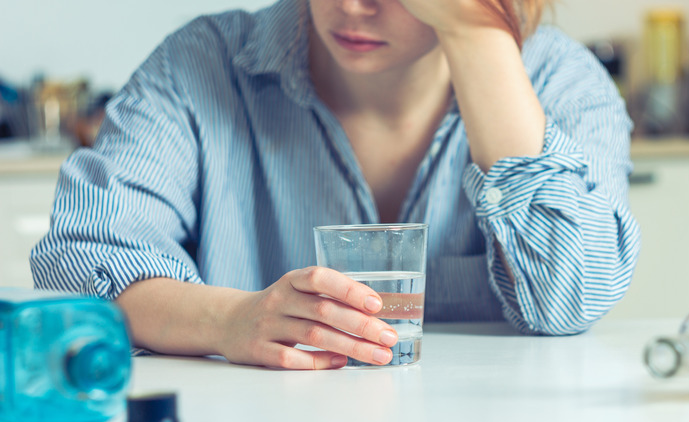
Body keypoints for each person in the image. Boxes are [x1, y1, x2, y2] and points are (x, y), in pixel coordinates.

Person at [31, 0, 640, 369]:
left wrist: (478, 30)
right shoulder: (200, 63)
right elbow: (84, 258)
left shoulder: (560, 80)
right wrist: (229, 320)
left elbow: (570, 299)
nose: (352, 6)